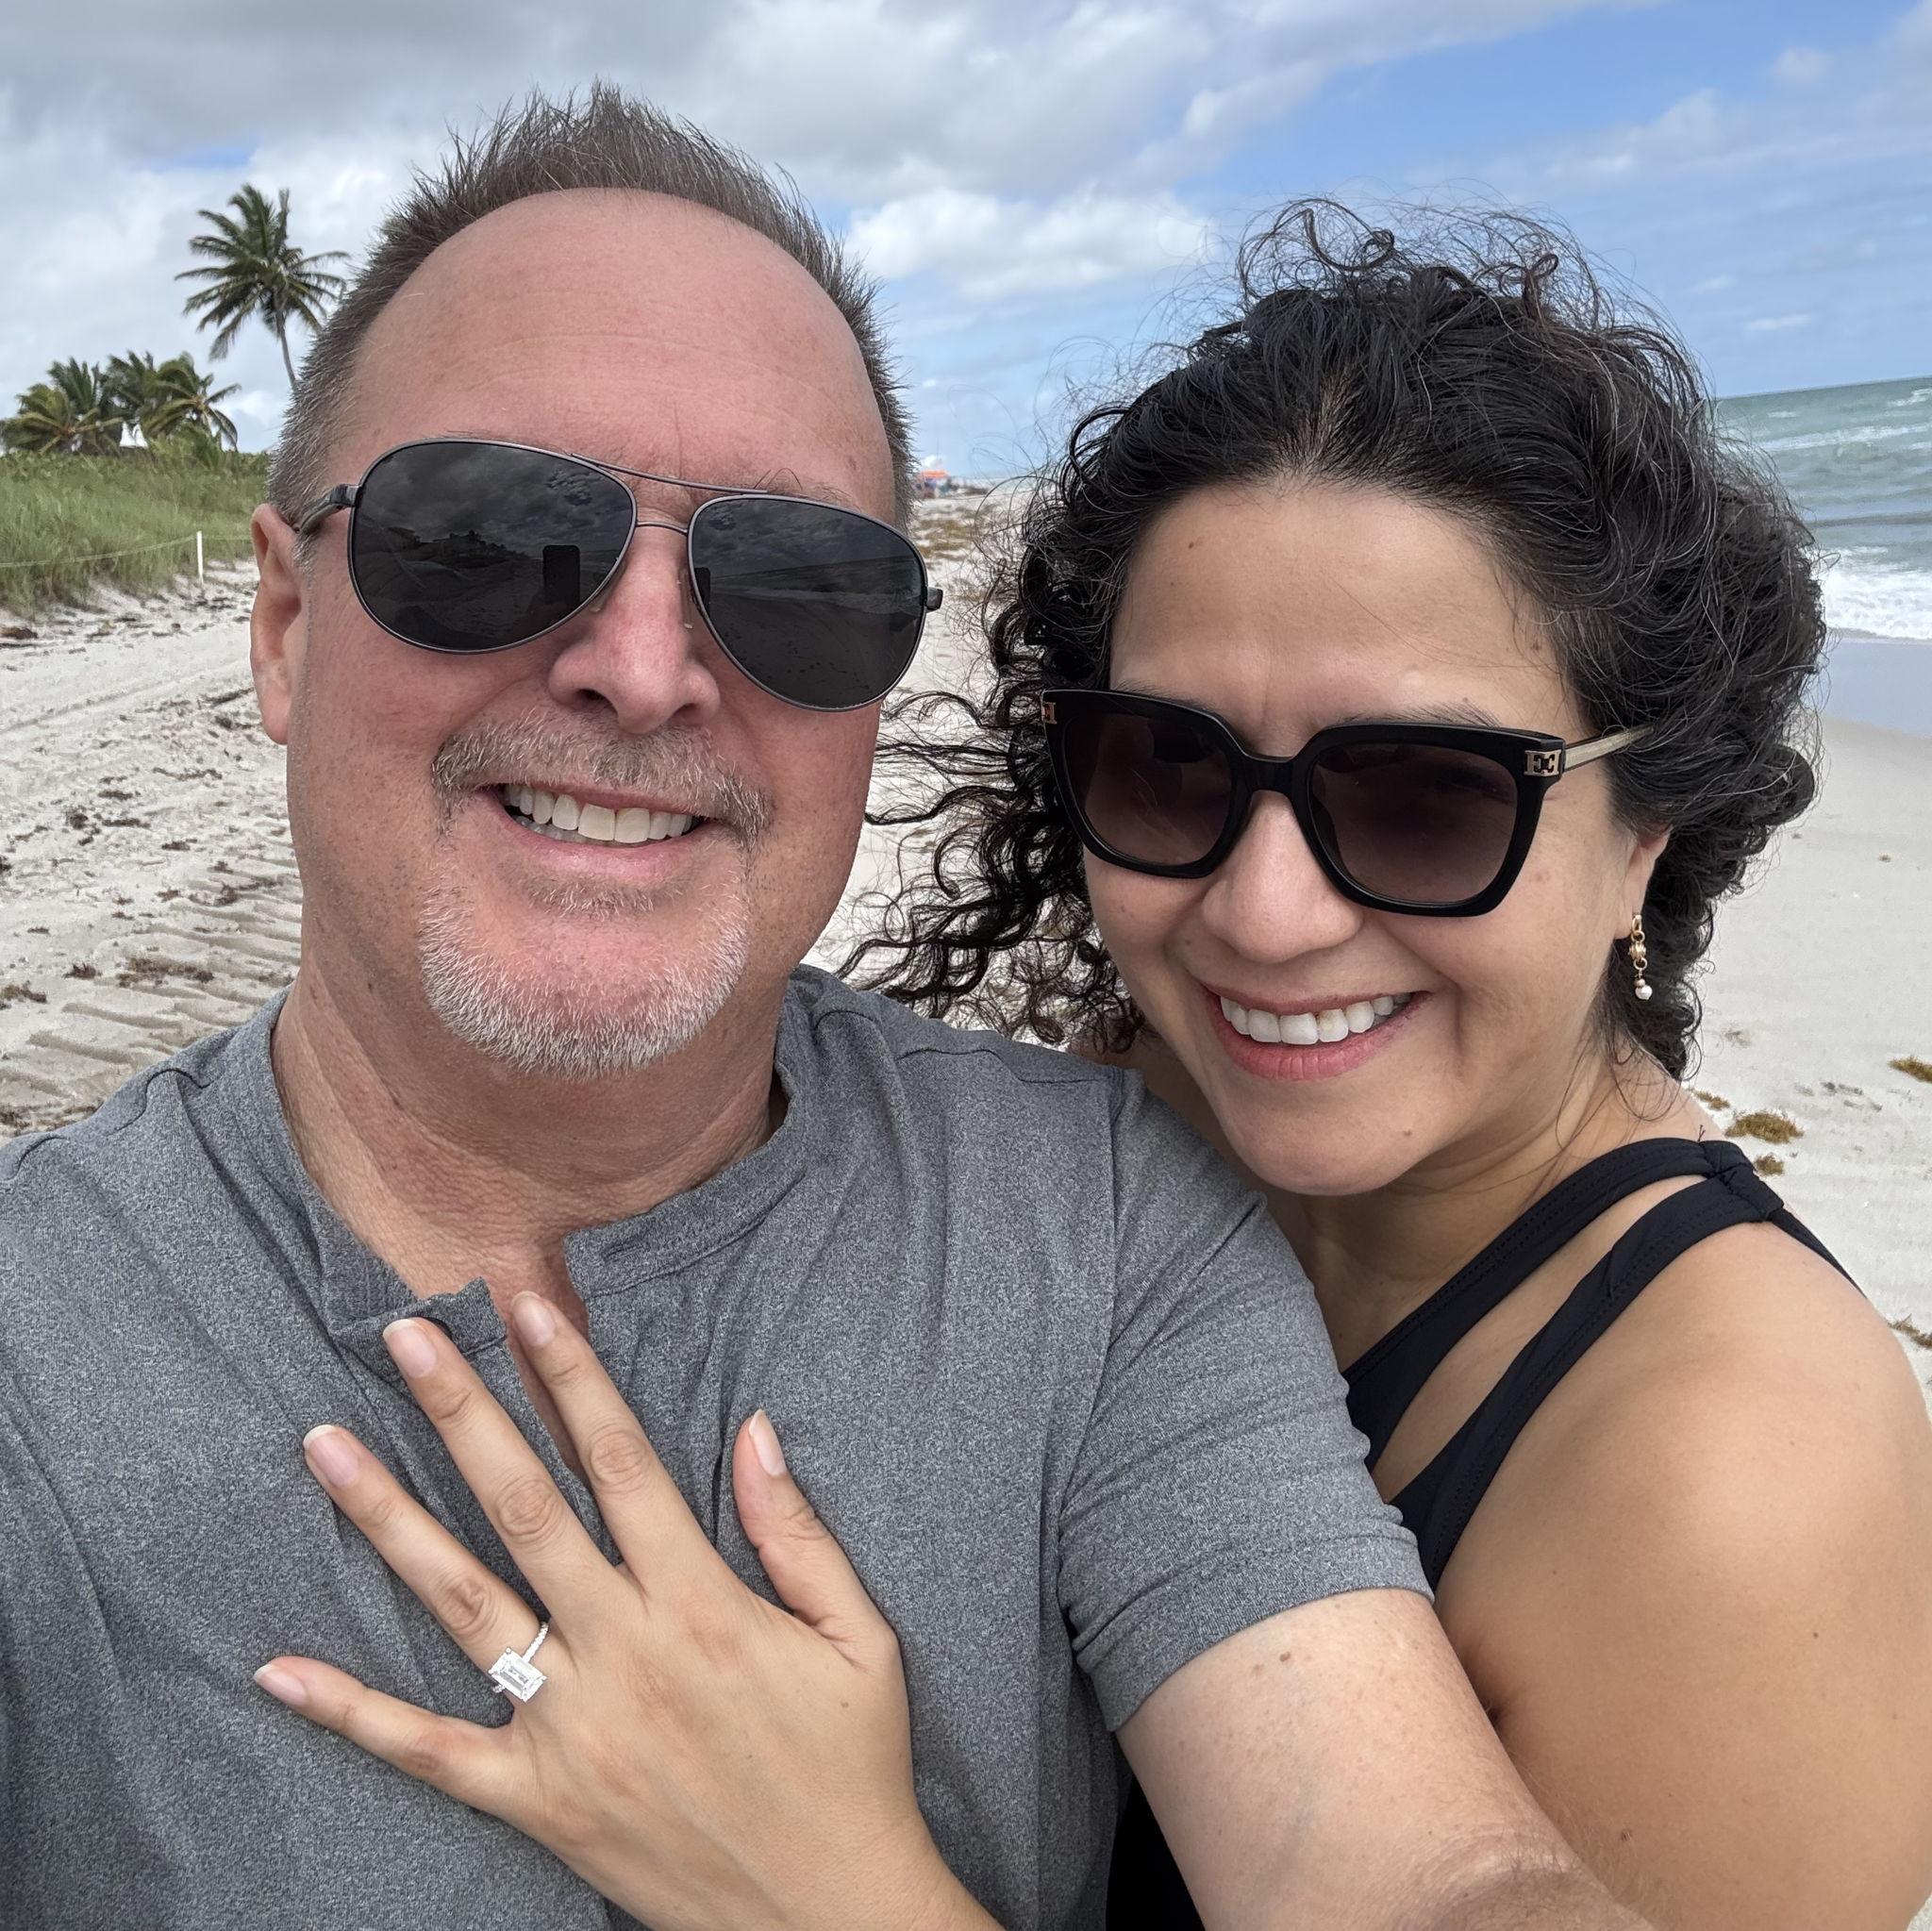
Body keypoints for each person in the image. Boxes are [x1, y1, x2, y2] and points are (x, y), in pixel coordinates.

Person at [0, 92, 1655, 1931]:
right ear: (284, 626)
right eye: (483, 537)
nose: (642, 670)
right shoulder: (37, 1339)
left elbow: (1438, 1878)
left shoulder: (1101, 1228)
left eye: (793, 583)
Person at [847, 204, 1932, 1927]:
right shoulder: (1140, 1114)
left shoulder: (1741, 1479)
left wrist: (816, 1879)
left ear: (1647, 832)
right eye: (1168, 767)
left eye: (1426, 794)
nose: (1264, 918)